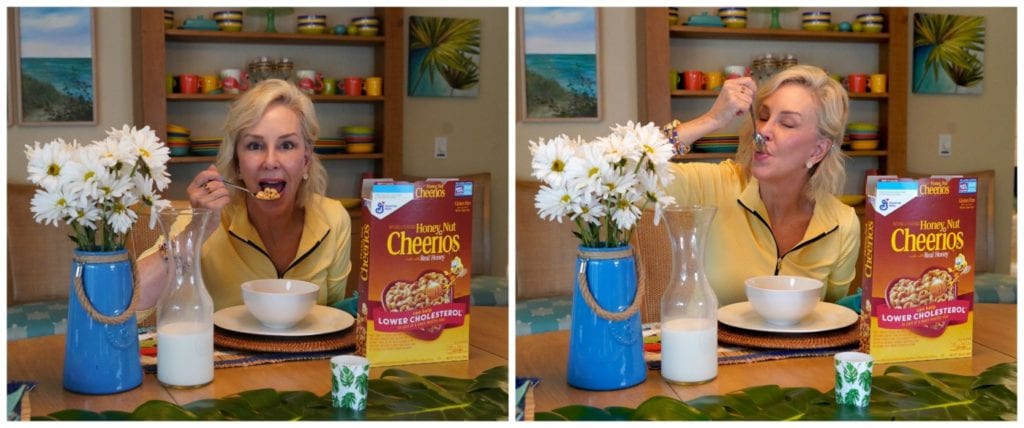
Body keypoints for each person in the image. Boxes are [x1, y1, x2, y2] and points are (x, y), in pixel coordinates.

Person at [136, 79, 352, 314]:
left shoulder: (334, 218)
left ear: (306, 161)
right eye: (255, 146)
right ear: (237, 163)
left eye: (287, 145)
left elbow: (333, 316)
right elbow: (129, 303)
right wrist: (196, 231)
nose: (270, 162)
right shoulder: (206, 218)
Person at [663, 65, 859, 306]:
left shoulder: (843, 223)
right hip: (709, 343)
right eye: (764, 116)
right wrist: (711, 120)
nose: (764, 130)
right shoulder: (715, 184)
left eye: (786, 123)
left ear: (817, 150)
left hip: (797, 345)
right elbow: (614, 173)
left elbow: (832, 316)